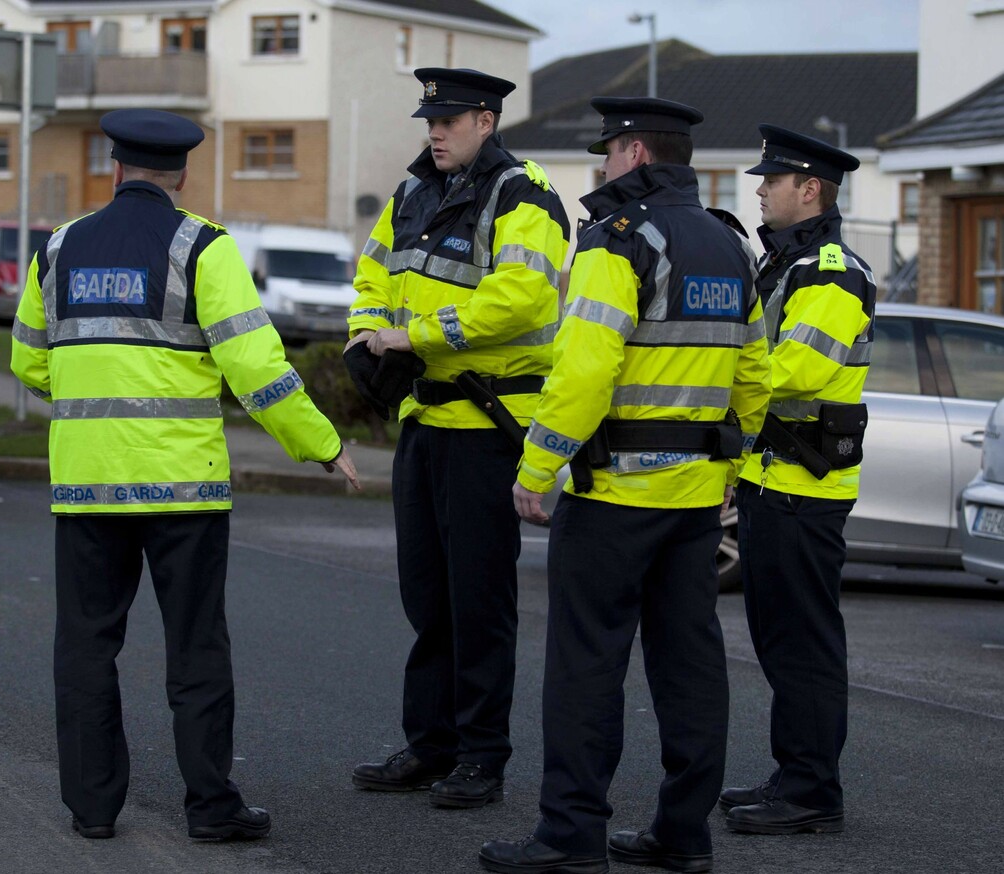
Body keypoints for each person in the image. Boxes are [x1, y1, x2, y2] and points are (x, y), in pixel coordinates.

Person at [10, 108, 359, 842]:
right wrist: (320, 443)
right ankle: (210, 807)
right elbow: (254, 367)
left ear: (115, 168)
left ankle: (92, 809)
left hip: (87, 483)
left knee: (86, 646)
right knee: (196, 648)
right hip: (183, 489)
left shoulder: (59, 247)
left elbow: (28, 362)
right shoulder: (203, 247)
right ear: (182, 175)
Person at [481, 97, 772, 874]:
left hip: (613, 497)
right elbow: (755, 375)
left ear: (635, 154)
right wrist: (729, 471)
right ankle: (683, 835)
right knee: (690, 667)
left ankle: (570, 837)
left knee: (586, 667)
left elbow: (585, 370)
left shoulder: (617, 239)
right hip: (694, 501)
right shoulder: (729, 245)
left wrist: (537, 467)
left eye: (608, 151)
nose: (603, 165)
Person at [346, 67, 570, 809]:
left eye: (448, 121)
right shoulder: (413, 192)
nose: (435, 133)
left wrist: (413, 337)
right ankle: (430, 745)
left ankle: (481, 757)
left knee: (479, 602)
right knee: (427, 597)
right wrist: (363, 336)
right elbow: (372, 277)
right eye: (430, 122)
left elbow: (521, 298)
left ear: (485, 121)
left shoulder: (524, 193)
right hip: (425, 422)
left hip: (485, 426)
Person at [719, 125, 874, 836]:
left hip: (804, 490)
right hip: (773, 480)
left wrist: (714, 376)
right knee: (782, 642)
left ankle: (812, 792)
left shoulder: (832, 272)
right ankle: (795, 774)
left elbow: (797, 370)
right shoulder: (787, 264)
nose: (760, 191)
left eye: (772, 180)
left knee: (804, 646)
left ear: (810, 189)